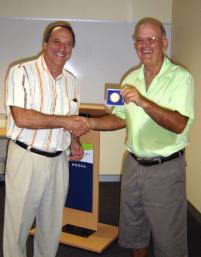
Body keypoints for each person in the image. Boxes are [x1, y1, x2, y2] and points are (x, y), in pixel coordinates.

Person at [82, 17, 195, 257]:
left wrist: (143, 102)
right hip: (133, 166)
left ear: (163, 43)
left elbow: (179, 124)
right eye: (139, 40)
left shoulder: (181, 78)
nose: (145, 45)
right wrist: (90, 123)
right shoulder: (130, 79)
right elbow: (121, 118)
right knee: (135, 232)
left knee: (169, 242)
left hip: (165, 169)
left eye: (151, 39)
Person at [3, 21, 89, 257]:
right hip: (26, 158)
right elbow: (22, 118)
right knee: (17, 227)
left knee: (51, 228)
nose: (62, 48)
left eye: (69, 44)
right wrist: (65, 123)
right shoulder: (21, 72)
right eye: (57, 42)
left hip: (59, 162)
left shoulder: (72, 81)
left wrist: (74, 141)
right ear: (45, 44)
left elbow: (71, 117)